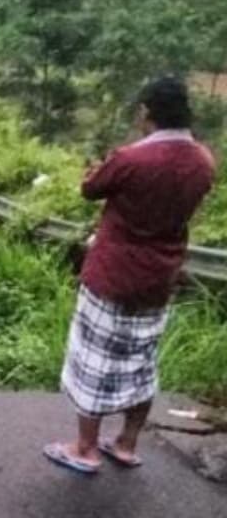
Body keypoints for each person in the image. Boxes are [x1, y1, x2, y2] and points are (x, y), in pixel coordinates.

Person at [44, 77, 216, 475]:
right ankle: (125, 443)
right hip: (160, 277)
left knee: (94, 361)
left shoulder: (131, 159)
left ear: (146, 112)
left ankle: (84, 448)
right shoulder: (203, 161)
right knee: (141, 362)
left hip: (113, 273)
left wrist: (97, 167)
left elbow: (90, 189)